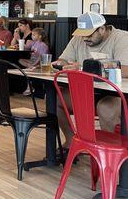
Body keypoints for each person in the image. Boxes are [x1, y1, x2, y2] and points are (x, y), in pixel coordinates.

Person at [53, 12, 128, 149]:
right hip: (89, 91)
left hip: (116, 94)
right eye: (82, 34)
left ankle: (107, 152)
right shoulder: (79, 38)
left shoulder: (121, 38)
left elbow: (125, 69)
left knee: (105, 108)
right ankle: (71, 142)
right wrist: (59, 64)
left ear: (102, 29)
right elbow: (63, 59)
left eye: (89, 34)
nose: (85, 38)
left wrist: (82, 68)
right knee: (57, 99)